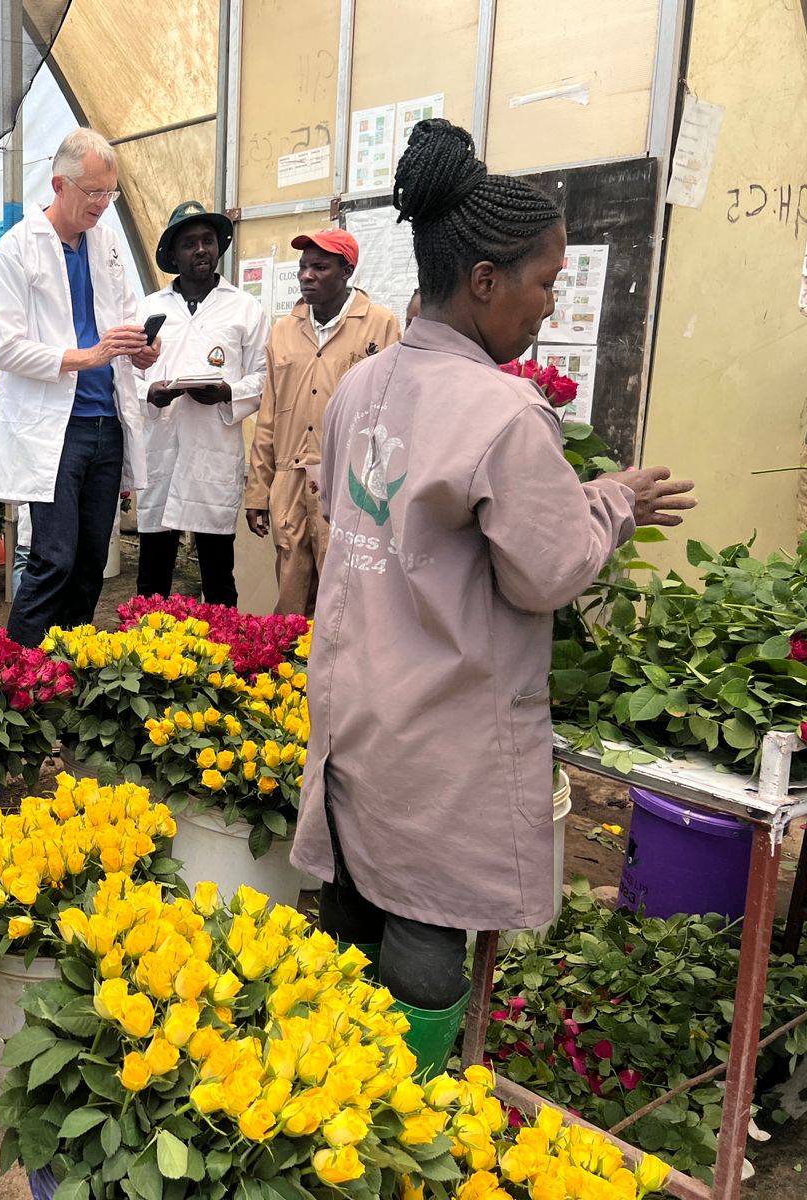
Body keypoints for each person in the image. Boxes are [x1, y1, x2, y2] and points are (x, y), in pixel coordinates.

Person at [288, 119, 696, 1079]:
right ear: (483, 280)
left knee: (352, 908)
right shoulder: (506, 412)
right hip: (442, 727)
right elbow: (546, 571)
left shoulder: (364, 385)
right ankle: (402, 1123)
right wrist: (613, 500)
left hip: (356, 711)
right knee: (427, 918)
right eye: (543, 282)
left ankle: (326, 1107)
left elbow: (339, 512)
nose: (548, 306)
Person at [0, 127, 159, 647]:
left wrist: (141, 349)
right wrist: (90, 356)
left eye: (111, 194)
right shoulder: (17, 249)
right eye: (95, 194)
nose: (104, 206)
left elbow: (123, 317)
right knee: (53, 558)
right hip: (57, 430)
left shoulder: (105, 243)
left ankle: (69, 675)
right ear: (60, 185)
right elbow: (7, 350)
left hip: (107, 425)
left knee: (89, 562)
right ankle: (14, 676)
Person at [244, 228, 401, 615]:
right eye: (303, 267)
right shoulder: (283, 331)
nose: (307, 276)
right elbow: (268, 416)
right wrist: (257, 493)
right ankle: (289, 673)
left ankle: (338, 672)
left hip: (347, 479)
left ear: (346, 272)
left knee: (343, 586)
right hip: (290, 477)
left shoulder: (379, 325)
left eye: (320, 267)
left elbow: (393, 412)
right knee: (292, 586)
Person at [134, 201, 269, 606]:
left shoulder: (245, 308)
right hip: (162, 449)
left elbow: (263, 377)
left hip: (213, 451)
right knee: (152, 576)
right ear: (173, 255)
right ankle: (145, 659)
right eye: (189, 243)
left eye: (207, 241)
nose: (200, 250)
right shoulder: (148, 309)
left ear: (219, 247)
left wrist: (228, 392)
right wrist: (152, 393)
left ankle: (223, 661)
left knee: (218, 577)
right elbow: (128, 376)